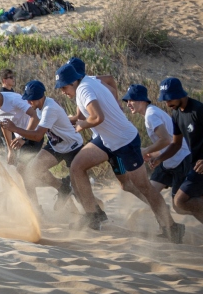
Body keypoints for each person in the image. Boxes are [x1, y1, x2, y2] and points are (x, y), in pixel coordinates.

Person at [55, 64, 183, 241]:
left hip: (125, 141)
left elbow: (98, 117)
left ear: (74, 81)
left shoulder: (84, 89)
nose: (62, 91)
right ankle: (93, 215)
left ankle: (171, 227)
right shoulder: (88, 81)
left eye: (63, 87)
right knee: (77, 167)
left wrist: (83, 124)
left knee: (143, 186)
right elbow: (109, 79)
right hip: (107, 140)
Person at [0, 80, 83, 210]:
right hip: (56, 146)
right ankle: (64, 187)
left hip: (73, 146)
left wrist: (16, 129)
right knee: (31, 171)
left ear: (39, 97)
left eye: (30, 99)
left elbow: (38, 135)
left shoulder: (49, 108)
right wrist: (22, 138)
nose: (28, 102)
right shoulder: (39, 106)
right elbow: (37, 129)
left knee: (81, 191)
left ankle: (95, 213)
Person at [122, 84, 192, 202]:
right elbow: (168, 140)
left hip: (182, 160)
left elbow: (166, 139)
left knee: (180, 205)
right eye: (127, 100)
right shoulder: (151, 113)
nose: (128, 103)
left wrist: (146, 150)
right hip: (168, 161)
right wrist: (154, 154)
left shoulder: (151, 115)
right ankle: (164, 214)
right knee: (149, 195)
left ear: (142, 100)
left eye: (132, 100)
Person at [153, 78, 203, 224]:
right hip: (195, 165)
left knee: (180, 201)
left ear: (180, 94)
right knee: (185, 205)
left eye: (170, 99)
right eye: (165, 101)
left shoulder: (198, 110)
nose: (168, 104)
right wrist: (160, 158)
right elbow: (175, 144)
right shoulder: (176, 114)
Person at [0, 79, 41, 166]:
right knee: (31, 168)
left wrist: (24, 138)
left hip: (33, 133)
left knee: (21, 168)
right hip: (19, 139)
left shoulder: (14, 99)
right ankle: (56, 180)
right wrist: (10, 151)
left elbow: (35, 116)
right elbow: (4, 126)